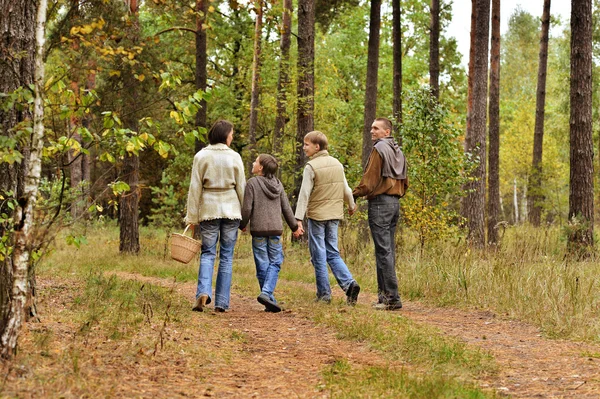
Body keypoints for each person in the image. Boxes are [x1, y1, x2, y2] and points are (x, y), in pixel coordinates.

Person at [294, 131, 360, 305]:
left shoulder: (311, 167)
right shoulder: (337, 164)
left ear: (317, 147)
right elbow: (346, 189)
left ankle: (324, 294)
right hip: (334, 215)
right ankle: (349, 283)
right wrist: (351, 205)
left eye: (306, 144)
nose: (304, 147)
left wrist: (298, 218)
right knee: (332, 251)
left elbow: (304, 193)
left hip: (317, 216)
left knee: (319, 254)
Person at [185, 120, 245, 313]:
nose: (232, 137)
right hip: (231, 210)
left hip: (209, 211)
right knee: (226, 256)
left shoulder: (201, 156)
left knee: (208, 253)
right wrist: (245, 218)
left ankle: (202, 292)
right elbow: (242, 188)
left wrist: (192, 217)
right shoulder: (235, 157)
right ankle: (221, 302)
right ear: (225, 135)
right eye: (231, 134)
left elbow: (195, 189)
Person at [353, 117, 408, 311]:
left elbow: (368, 182)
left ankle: (391, 298)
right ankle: (384, 297)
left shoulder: (379, 149)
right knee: (388, 250)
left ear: (387, 132)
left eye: (376, 128)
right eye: (371, 127)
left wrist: (353, 194)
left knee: (383, 251)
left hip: (380, 204)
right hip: (394, 204)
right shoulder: (398, 151)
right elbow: (405, 181)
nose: (371, 131)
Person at [240, 154, 303, 313]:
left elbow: (247, 208)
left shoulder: (252, 183)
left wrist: (242, 224)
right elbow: (286, 208)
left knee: (263, 263)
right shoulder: (278, 184)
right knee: (275, 262)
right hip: (275, 230)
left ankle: (266, 293)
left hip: (259, 230)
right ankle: (269, 299)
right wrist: (294, 227)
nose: (253, 163)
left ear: (260, 168)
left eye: (256, 161)